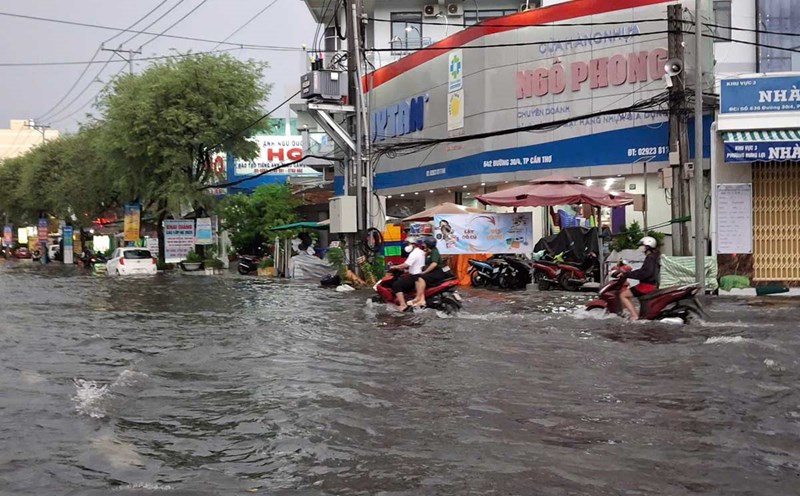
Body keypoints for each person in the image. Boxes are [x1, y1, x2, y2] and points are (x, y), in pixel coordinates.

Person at [619, 236, 661, 320]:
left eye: (643, 246)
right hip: (651, 285)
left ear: (648, 247)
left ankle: (634, 316)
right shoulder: (654, 257)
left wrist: (627, 274)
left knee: (623, 295)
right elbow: (643, 271)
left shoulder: (650, 258)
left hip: (645, 286)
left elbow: (645, 273)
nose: (641, 248)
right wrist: (629, 273)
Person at [410, 237, 450, 307]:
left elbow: (434, 264)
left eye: (424, 243)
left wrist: (425, 272)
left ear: (428, 244)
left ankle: (420, 299)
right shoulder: (429, 251)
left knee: (420, 278)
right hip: (435, 272)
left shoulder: (434, 251)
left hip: (438, 272)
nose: (423, 244)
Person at [390, 238, 426, 312]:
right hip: (419, 275)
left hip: (414, 276)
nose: (407, 246)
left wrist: (394, 266)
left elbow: (406, 264)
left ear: (413, 245)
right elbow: (414, 265)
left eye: (408, 244)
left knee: (396, 285)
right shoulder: (421, 252)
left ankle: (403, 304)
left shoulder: (414, 253)